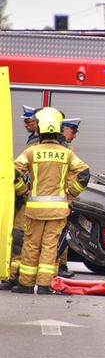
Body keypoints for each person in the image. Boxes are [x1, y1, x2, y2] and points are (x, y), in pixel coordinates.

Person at [11, 107, 90, 295]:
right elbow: (84, 174)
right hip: (57, 210)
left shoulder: (32, 151)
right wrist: (71, 193)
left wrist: (23, 191)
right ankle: (45, 285)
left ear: (40, 130)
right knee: (50, 246)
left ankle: (26, 284)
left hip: (35, 209)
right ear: (57, 131)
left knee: (31, 245)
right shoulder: (66, 153)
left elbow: (13, 172)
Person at [0, 105, 40, 290]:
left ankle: (16, 277)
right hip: (32, 199)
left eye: (28, 121)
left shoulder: (36, 144)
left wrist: (22, 191)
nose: (25, 125)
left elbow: (19, 172)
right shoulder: (34, 141)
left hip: (29, 201)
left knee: (20, 237)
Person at [57, 118, 81, 279]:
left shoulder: (66, 149)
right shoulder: (63, 151)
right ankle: (58, 265)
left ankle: (61, 265)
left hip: (59, 201)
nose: (74, 136)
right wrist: (71, 195)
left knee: (61, 233)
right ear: (63, 129)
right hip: (59, 201)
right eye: (72, 132)